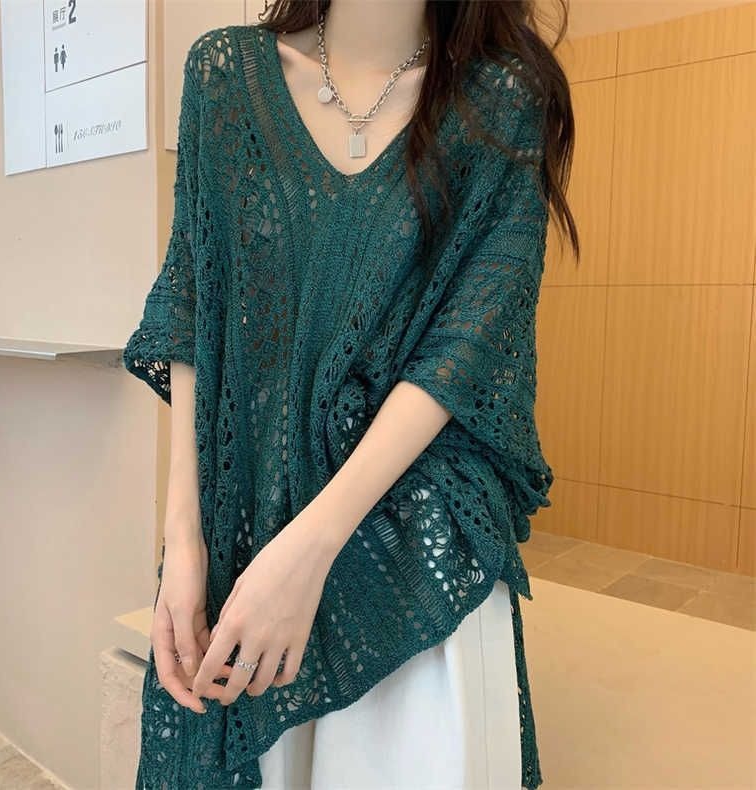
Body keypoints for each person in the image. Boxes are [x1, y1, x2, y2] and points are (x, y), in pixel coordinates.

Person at [122, 2, 578, 788]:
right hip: (247, 515)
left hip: (415, 542)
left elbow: (467, 346)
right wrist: (183, 539)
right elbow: (195, 300)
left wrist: (309, 551)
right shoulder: (225, 75)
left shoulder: (501, 97)